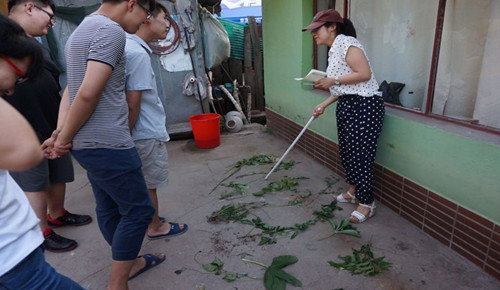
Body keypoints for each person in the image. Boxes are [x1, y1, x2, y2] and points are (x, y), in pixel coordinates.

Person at [42, 0, 166, 288]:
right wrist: (63, 138)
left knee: (109, 207)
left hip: (89, 145)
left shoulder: (82, 30)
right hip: (109, 143)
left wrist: (62, 132)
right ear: (131, 4)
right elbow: (87, 93)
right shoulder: (111, 32)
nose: (143, 22)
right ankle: (117, 283)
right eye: (145, 14)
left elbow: (71, 89)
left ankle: (129, 262)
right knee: (138, 211)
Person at [0, 14, 84, 290]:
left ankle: (53, 218)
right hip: (11, 259)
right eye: (17, 75)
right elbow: (25, 152)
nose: (11, 88)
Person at [302, 9, 385, 223]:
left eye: (316, 29)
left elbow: (364, 74)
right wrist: (324, 103)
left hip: (365, 105)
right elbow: (346, 87)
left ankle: (367, 203)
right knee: (348, 152)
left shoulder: (347, 42)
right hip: (349, 103)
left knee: (361, 155)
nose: (313, 34)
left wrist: (333, 81)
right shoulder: (334, 49)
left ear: (332, 27)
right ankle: (352, 192)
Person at [125, 1, 188, 240]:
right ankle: (155, 226)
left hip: (139, 131)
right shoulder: (136, 53)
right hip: (144, 133)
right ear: (147, 18)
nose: (167, 26)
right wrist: (127, 134)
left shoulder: (129, 47)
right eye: (165, 20)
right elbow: (133, 103)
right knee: (148, 183)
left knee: (142, 182)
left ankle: (150, 219)